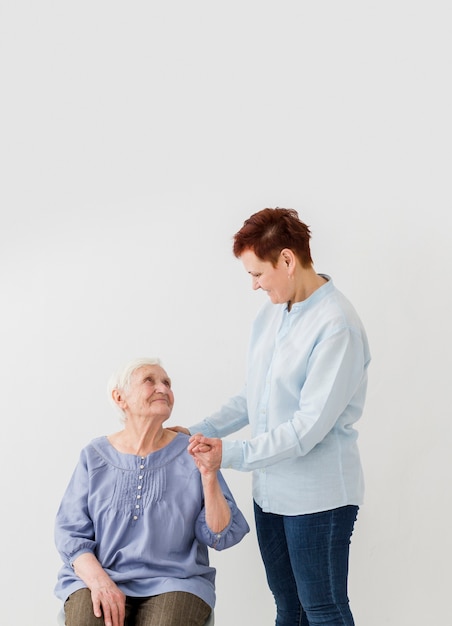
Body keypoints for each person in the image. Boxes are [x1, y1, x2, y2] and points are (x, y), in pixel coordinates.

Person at [184, 208, 371, 626]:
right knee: (288, 609)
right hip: (270, 492)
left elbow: (306, 430)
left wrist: (226, 454)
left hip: (317, 498)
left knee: (323, 609)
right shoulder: (272, 313)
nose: (253, 285)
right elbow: (256, 396)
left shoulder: (337, 326)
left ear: (288, 261)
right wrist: (201, 431)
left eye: (257, 274)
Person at [54, 357, 250, 626]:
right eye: (150, 380)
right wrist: (101, 583)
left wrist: (208, 474)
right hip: (100, 576)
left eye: (167, 383)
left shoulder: (192, 452)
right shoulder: (94, 456)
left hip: (176, 581)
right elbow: (70, 533)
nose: (163, 388)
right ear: (120, 397)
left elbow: (219, 536)